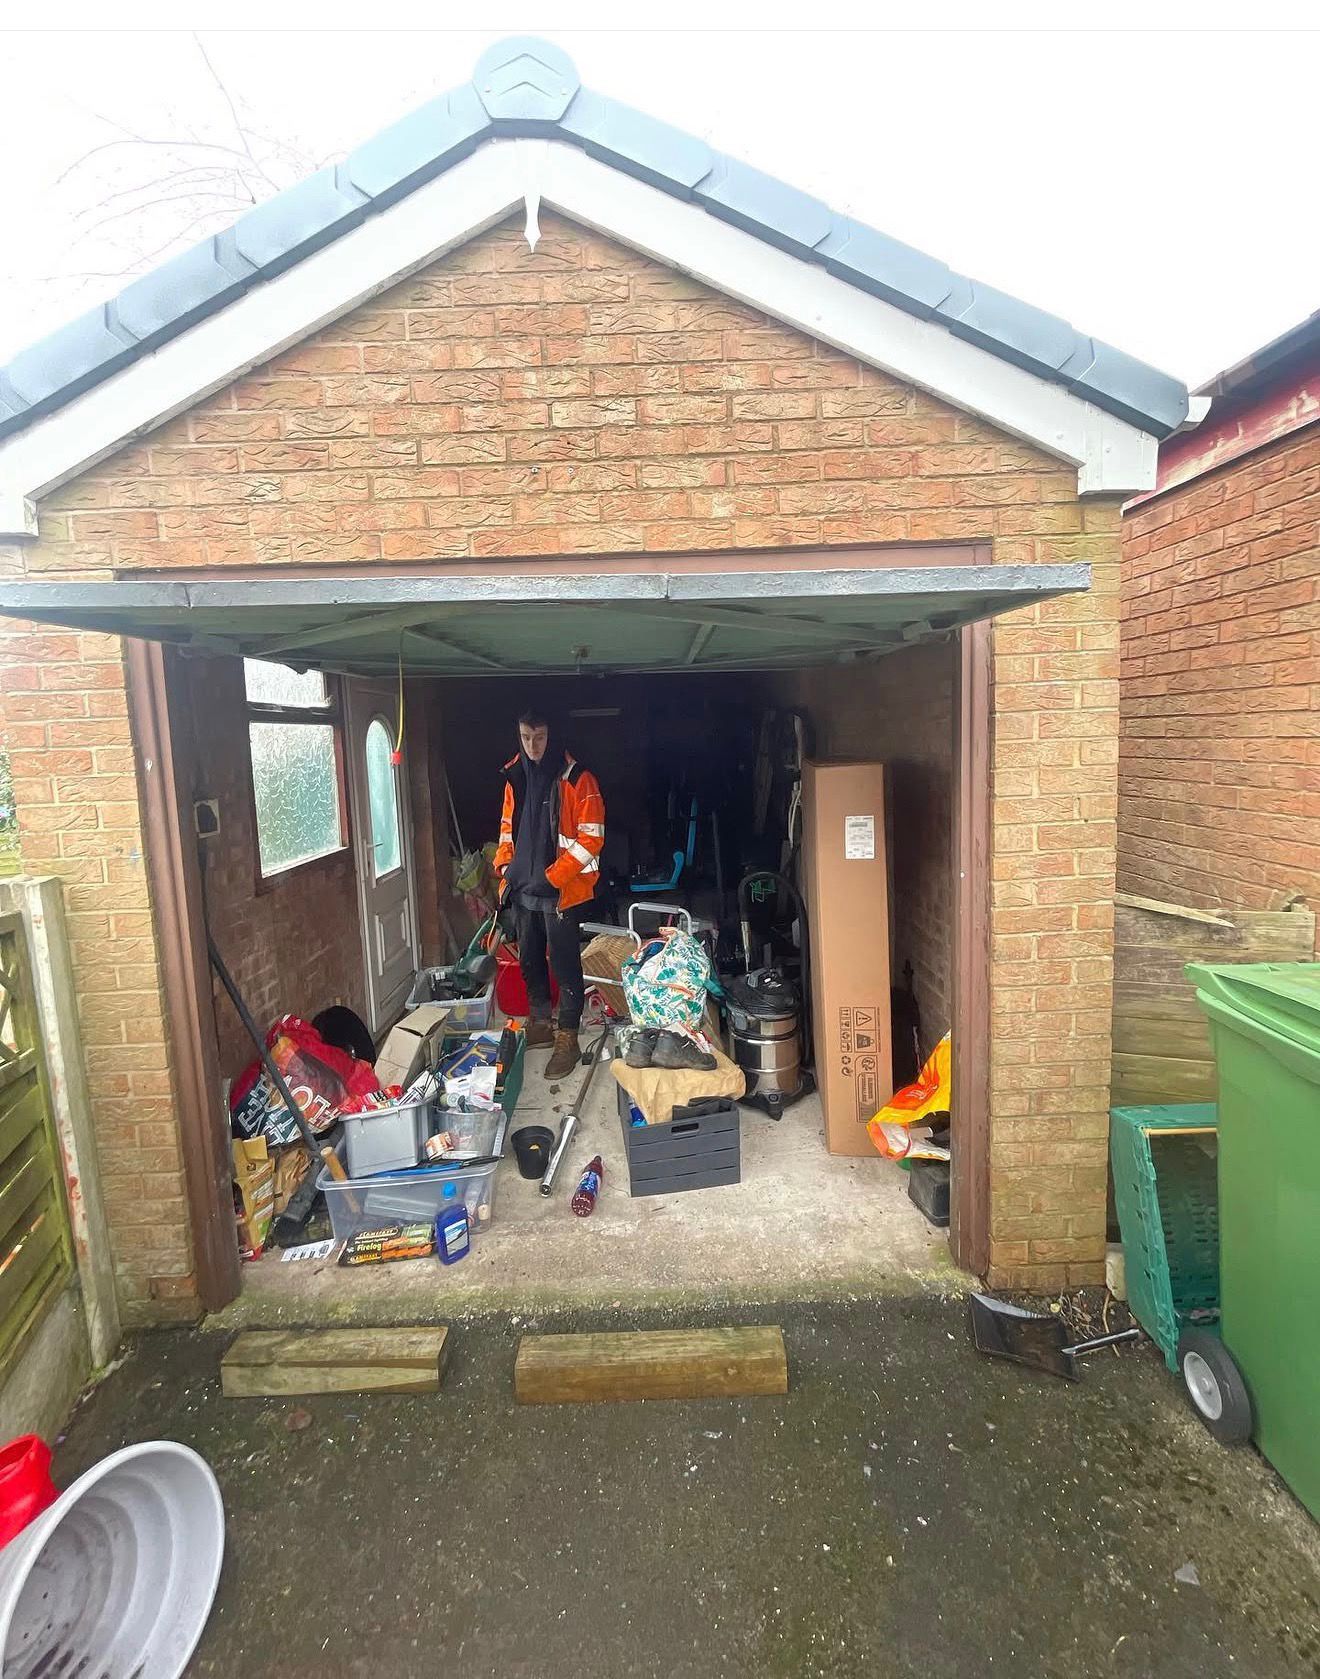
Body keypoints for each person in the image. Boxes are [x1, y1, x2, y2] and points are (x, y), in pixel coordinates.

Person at [494, 710, 605, 1079]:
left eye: (539, 737)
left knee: (564, 963)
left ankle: (568, 1037)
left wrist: (554, 877)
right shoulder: (515, 775)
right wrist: (504, 869)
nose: (532, 746)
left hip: (561, 892)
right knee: (529, 959)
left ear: (552, 736)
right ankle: (540, 1023)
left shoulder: (579, 779)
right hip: (524, 889)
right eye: (525, 737)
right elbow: (506, 827)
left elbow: (592, 838)